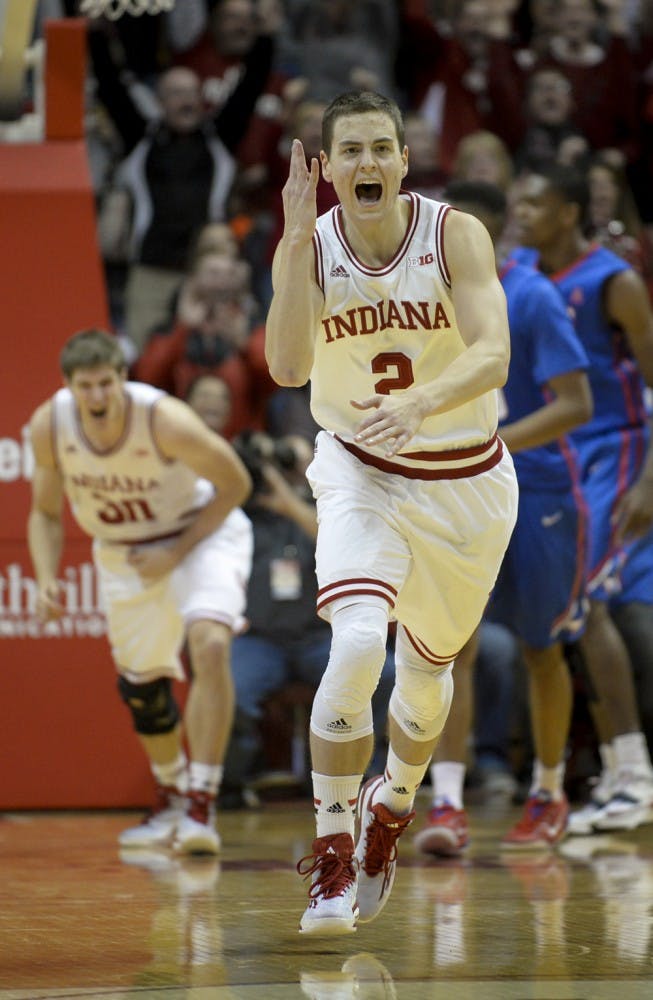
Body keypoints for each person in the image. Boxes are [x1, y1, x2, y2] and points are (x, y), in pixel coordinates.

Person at [264, 90, 518, 935]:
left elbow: (492, 351)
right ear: (327, 167)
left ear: (404, 160)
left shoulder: (454, 234)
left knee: (426, 679)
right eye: (351, 152)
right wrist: (298, 241)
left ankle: (392, 806)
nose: (366, 163)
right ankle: (331, 855)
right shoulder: (307, 242)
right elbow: (289, 369)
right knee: (361, 638)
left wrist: (425, 402)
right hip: (359, 467)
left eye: (381, 148)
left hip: (465, 482)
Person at [413, 179, 593, 856]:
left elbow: (575, 403)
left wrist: (491, 442)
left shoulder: (531, 295)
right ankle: (448, 804)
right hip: (454, 489)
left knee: (541, 646)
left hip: (537, 490)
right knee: (447, 647)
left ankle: (547, 792)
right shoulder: (422, 298)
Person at [27, 329, 253, 854]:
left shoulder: (163, 419)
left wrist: (175, 554)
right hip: (123, 551)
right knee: (144, 690)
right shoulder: (49, 425)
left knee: (211, 644)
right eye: (87, 387)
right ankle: (171, 795)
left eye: (107, 383)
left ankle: (202, 804)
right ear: (68, 387)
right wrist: (44, 579)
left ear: (123, 379)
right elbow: (44, 512)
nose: (99, 397)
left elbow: (236, 483)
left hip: (199, 536)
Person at [512, 163, 653, 834]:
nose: (520, 212)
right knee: (568, 616)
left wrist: (649, 479)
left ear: (567, 211)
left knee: (586, 603)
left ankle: (632, 774)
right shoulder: (518, 276)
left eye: (533, 201)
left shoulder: (613, 282)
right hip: (552, 454)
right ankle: (615, 771)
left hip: (612, 446)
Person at [221, 430, 396, 802]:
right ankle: (235, 781)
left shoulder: (327, 507)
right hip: (262, 639)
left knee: (384, 672)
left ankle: (361, 775)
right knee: (230, 687)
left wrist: (290, 494)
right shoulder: (237, 514)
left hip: (318, 638)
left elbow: (333, 540)